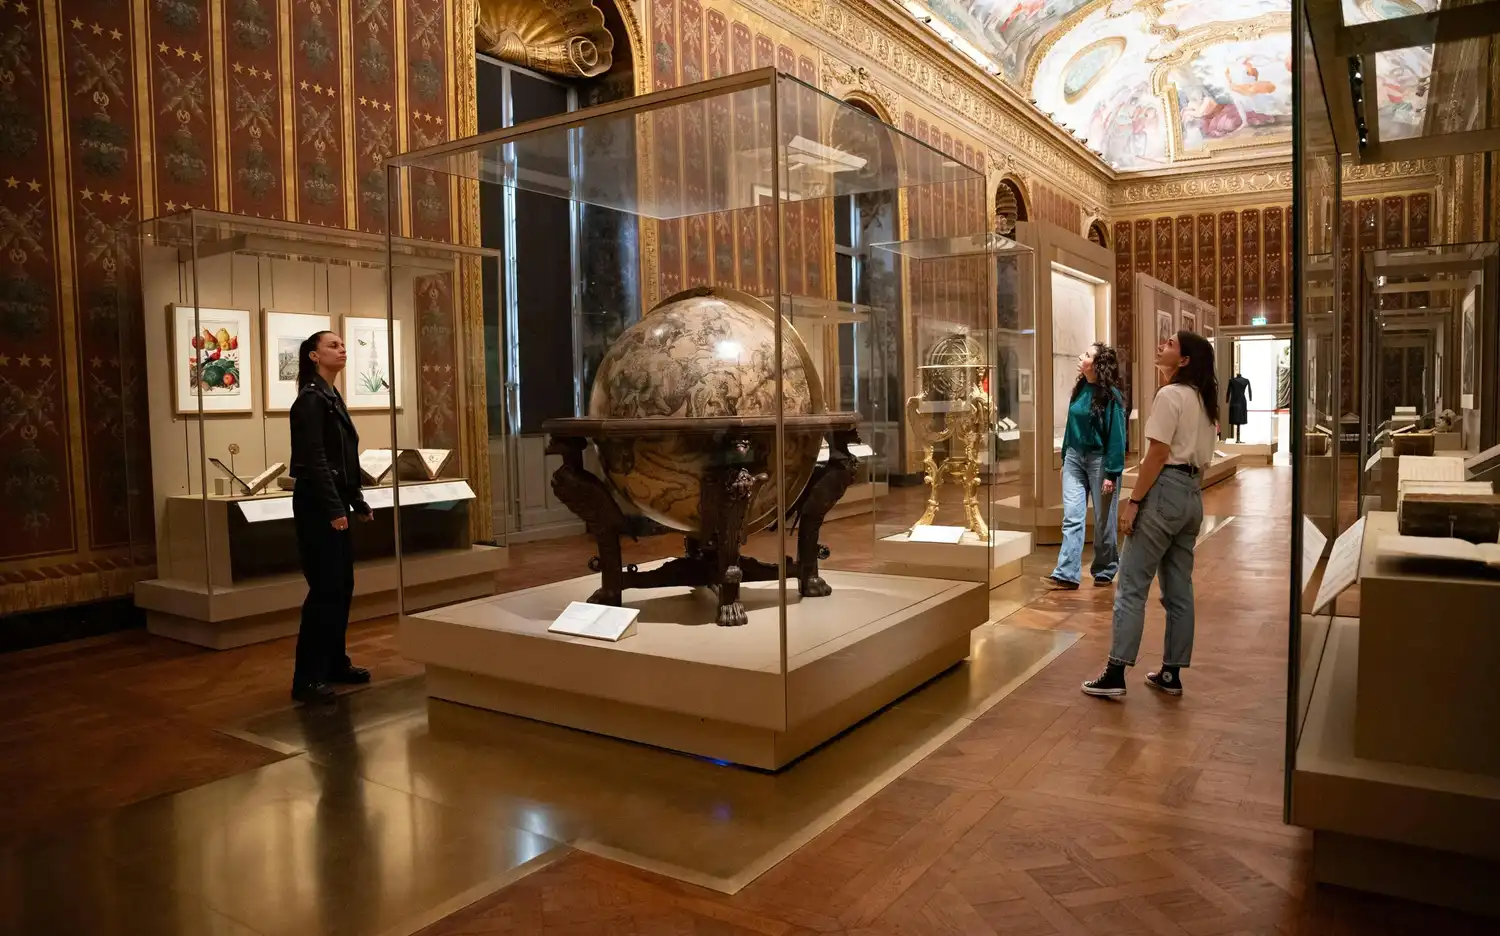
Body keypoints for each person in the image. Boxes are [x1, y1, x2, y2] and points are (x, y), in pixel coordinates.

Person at [1083, 330, 1218, 699]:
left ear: (1185, 360)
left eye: (1171, 344)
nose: (1162, 345)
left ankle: (1115, 671)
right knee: (1179, 590)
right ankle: (1171, 673)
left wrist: (1135, 502)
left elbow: (1157, 454)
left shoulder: (1170, 396)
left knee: (1130, 586)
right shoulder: (1204, 401)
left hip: (1163, 491)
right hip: (1191, 494)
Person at [289, 330, 374, 705]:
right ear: (313, 356)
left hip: (334, 501)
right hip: (317, 505)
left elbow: (343, 458)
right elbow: (315, 461)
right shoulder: (310, 400)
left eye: (342, 345)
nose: (341, 350)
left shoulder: (330, 396)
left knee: (341, 588)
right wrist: (334, 508)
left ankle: (335, 663)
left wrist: (356, 500)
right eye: (332, 345)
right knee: (324, 590)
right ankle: (307, 678)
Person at [1044, 342, 1126, 590]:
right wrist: (1065, 458)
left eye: (1088, 355)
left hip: (1100, 461)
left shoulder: (1111, 395)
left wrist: (1112, 472)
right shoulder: (1080, 388)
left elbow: (1117, 436)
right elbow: (1071, 426)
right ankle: (1067, 573)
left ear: (1098, 364)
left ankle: (1105, 568)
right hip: (1074, 459)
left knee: (1104, 519)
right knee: (1072, 516)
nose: (1081, 356)